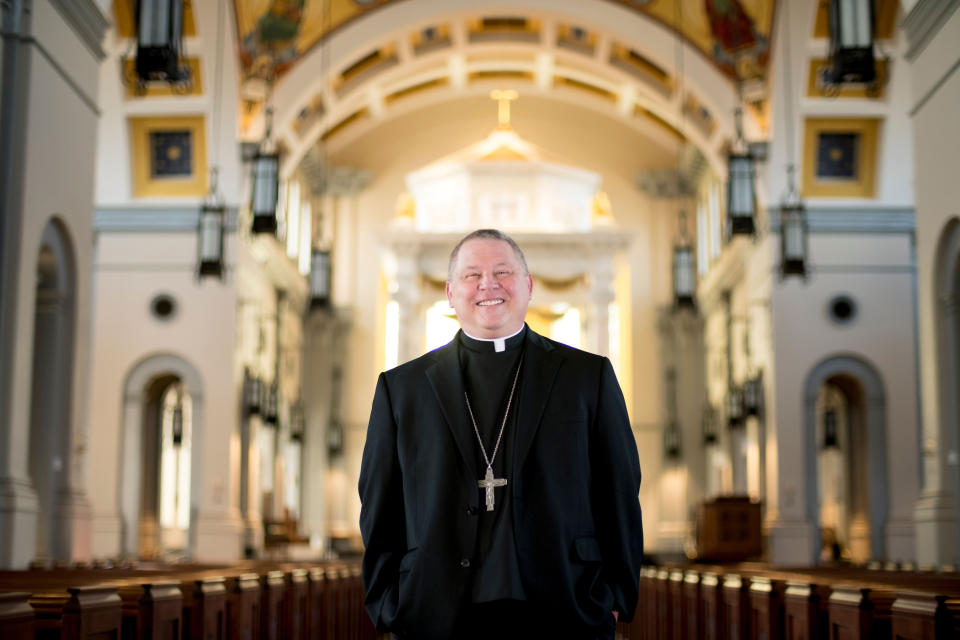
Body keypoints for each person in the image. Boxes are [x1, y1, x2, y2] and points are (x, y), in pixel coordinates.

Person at [359, 229, 643, 639]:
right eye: (472, 275)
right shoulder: (402, 389)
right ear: (451, 293)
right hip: (435, 610)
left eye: (503, 272)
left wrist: (616, 595)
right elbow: (378, 506)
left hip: (565, 606)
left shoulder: (586, 377)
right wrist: (388, 602)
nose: (488, 284)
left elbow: (618, 490)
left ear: (527, 286)